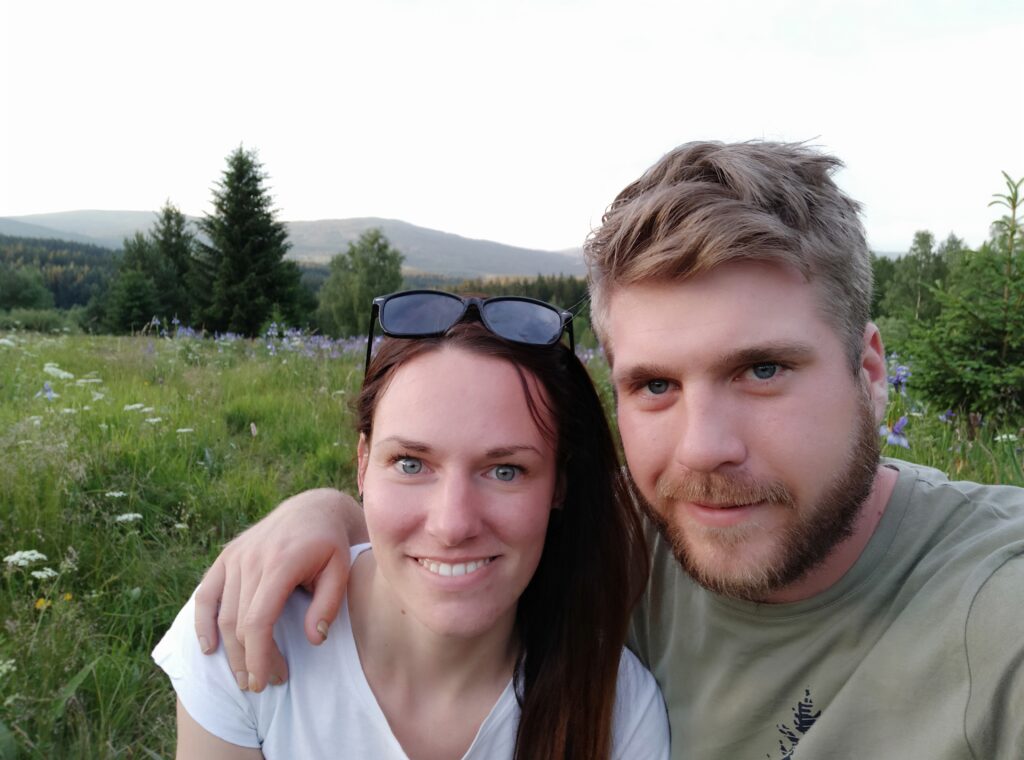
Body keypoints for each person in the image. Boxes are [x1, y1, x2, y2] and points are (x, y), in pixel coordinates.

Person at [190, 142, 1024, 759]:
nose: (704, 450)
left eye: (763, 370)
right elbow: (458, 524)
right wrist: (326, 516)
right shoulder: (631, 532)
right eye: (655, 385)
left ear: (870, 374)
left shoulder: (993, 606)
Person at [153, 296, 669, 759]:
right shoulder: (248, 629)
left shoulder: (619, 713)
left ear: (559, 485)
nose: (452, 525)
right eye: (410, 464)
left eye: (505, 471)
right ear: (362, 465)